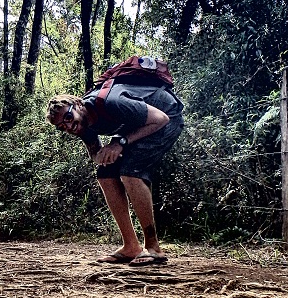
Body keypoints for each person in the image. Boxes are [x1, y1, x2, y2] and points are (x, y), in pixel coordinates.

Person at [46, 81, 184, 266]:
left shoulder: (112, 102)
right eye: (62, 127)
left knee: (130, 173)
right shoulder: (82, 126)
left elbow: (161, 119)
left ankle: (153, 249)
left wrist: (120, 143)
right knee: (105, 175)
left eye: (68, 118)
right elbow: (95, 154)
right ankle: (131, 247)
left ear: (78, 105)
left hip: (166, 116)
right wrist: (103, 156)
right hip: (138, 126)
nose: (68, 127)